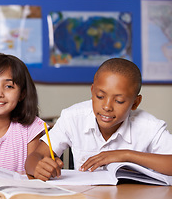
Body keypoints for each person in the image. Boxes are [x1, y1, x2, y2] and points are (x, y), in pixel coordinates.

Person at [25, 58, 172, 181]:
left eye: (119, 101)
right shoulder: (73, 117)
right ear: (92, 91)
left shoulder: (149, 126)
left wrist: (126, 155)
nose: (107, 107)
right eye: (100, 97)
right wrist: (38, 167)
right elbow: (34, 157)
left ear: (135, 103)